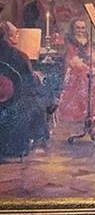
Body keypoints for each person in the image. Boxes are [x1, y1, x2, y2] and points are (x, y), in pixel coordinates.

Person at [0, 21, 50, 156]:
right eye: (16, 33)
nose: (18, 35)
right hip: (15, 105)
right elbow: (29, 84)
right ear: (10, 37)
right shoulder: (19, 56)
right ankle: (38, 140)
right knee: (38, 98)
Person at [58, 17, 95, 123]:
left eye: (83, 28)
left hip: (86, 64)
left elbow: (92, 56)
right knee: (87, 79)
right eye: (78, 28)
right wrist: (94, 71)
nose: (81, 30)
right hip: (75, 67)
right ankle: (85, 114)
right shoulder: (70, 41)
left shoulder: (87, 40)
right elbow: (74, 60)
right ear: (73, 29)